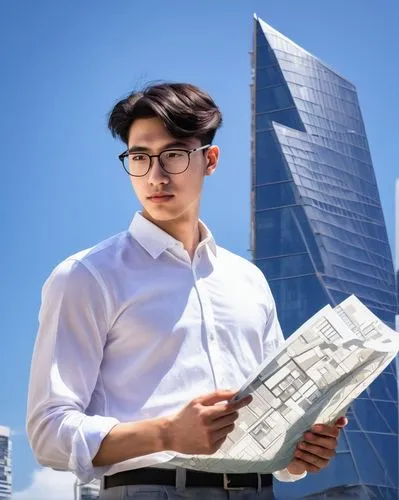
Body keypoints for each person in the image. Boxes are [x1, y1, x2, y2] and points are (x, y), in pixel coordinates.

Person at [27, 82, 347, 500]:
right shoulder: (87, 275)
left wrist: (301, 450)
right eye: (139, 158)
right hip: (148, 490)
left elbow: (272, 421)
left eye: (173, 156)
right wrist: (166, 433)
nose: (155, 176)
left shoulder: (248, 280)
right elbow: (49, 432)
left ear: (209, 159)